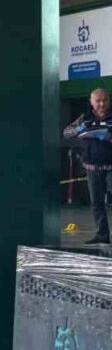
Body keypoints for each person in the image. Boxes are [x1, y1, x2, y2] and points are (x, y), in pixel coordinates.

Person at [64, 87, 112, 244]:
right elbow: (66, 133)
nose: (102, 104)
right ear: (91, 102)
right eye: (98, 101)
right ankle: (102, 235)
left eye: (105, 100)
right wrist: (79, 128)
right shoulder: (84, 118)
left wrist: (109, 137)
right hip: (92, 168)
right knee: (96, 203)